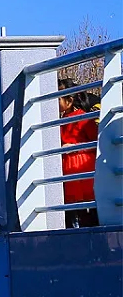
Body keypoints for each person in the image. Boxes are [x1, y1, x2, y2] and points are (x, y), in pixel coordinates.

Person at [57, 78, 98, 228]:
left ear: (69, 101)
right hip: (68, 169)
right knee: (72, 209)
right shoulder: (61, 120)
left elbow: (96, 143)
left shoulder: (84, 118)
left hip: (82, 169)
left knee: (86, 208)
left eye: (59, 98)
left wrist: (75, 147)